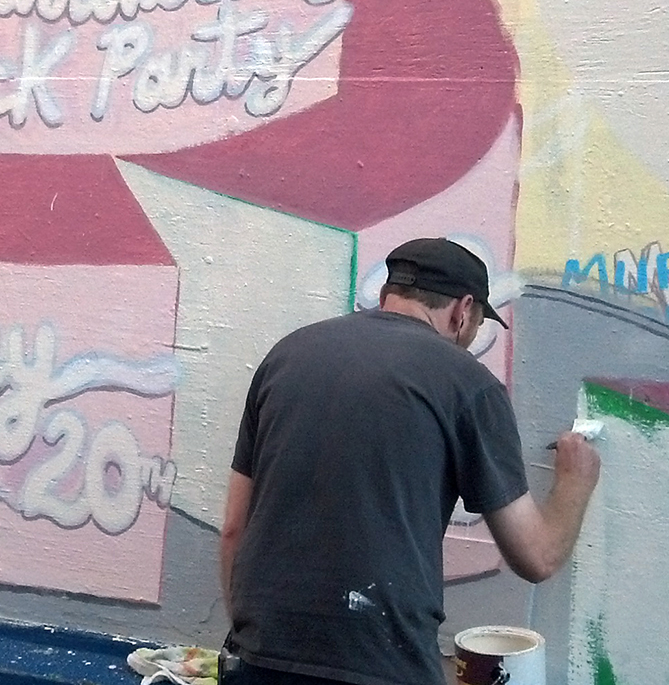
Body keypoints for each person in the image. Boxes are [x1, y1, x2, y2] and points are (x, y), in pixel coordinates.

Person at [219, 237, 601, 685]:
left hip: (257, 659)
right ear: (463, 310)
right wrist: (576, 480)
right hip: (381, 665)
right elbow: (536, 557)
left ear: (387, 295)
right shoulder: (468, 384)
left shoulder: (286, 356)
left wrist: (253, 643)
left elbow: (233, 530)